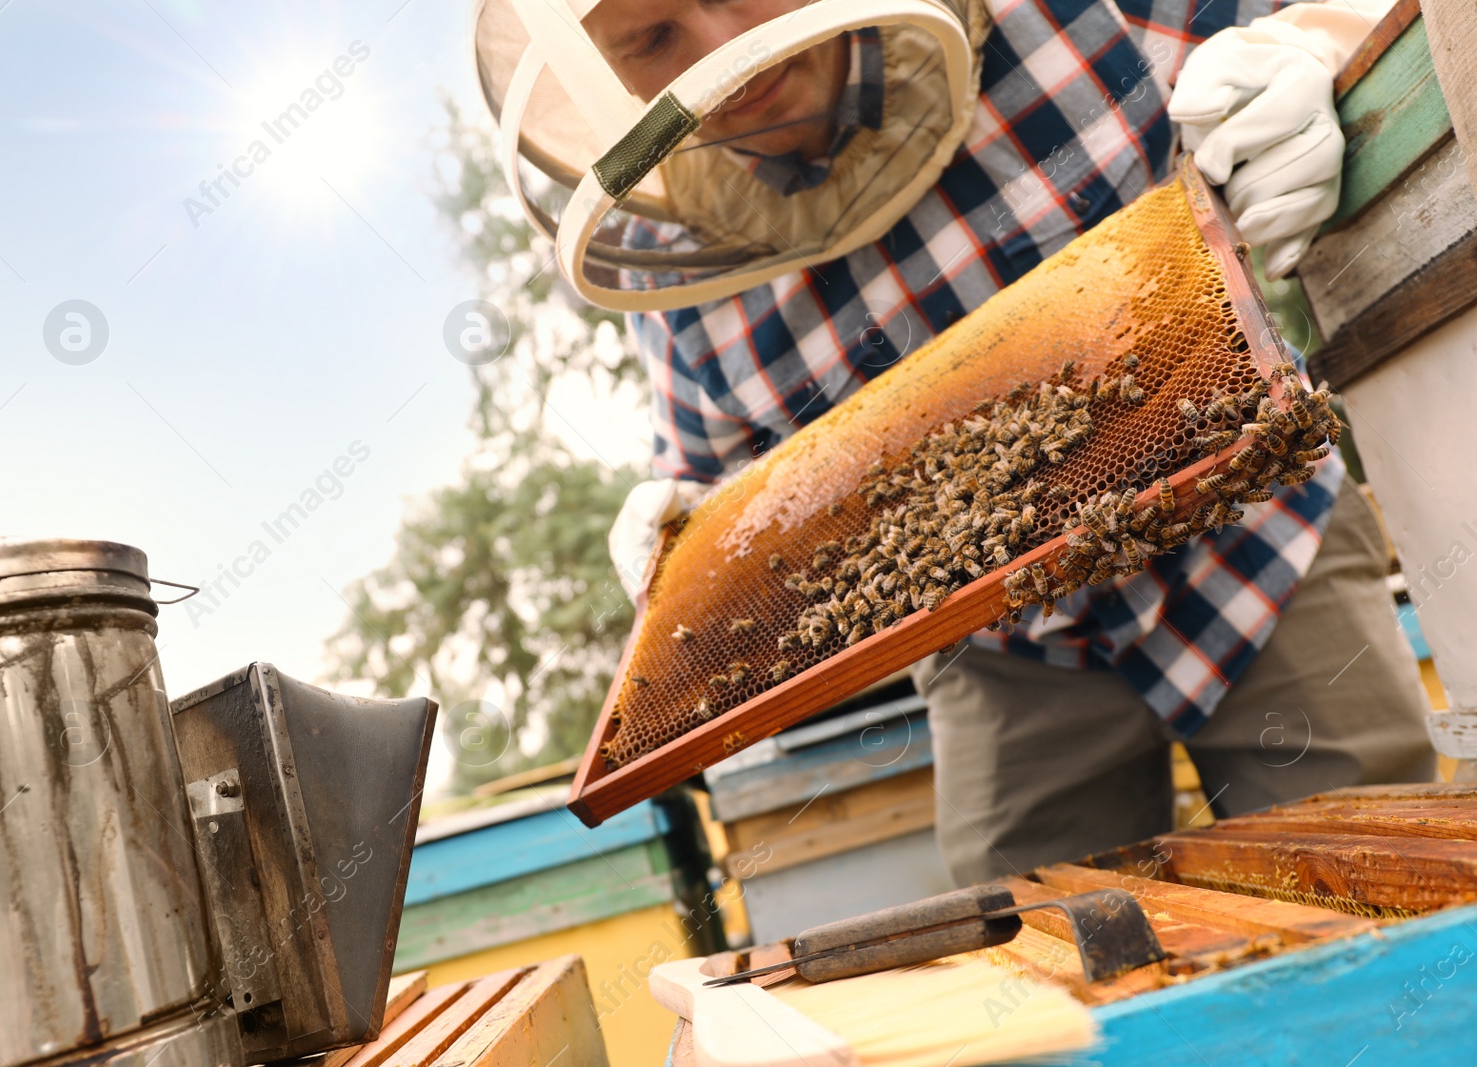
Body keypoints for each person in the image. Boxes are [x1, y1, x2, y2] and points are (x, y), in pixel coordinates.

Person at [473, 0, 1437, 884]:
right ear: (615, 85)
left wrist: (1315, 50)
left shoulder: (1065, 13)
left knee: (1386, 881)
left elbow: (1339, 22)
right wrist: (680, 523)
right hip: (1006, 651)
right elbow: (713, 478)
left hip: (1260, 549)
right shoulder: (676, 288)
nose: (722, 50)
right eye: (651, 39)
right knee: (1033, 967)